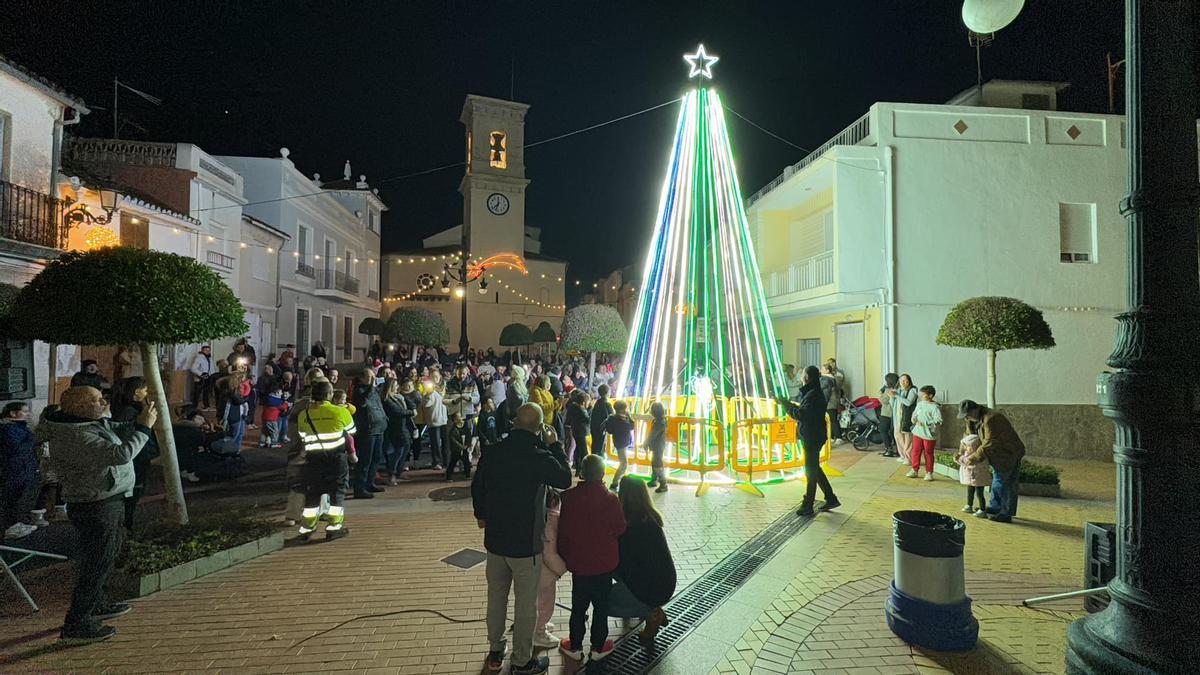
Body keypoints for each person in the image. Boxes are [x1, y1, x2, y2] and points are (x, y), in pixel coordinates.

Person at [38, 386, 157, 642]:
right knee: (96, 562)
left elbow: (118, 427)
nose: (104, 402)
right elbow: (121, 454)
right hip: (95, 504)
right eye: (97, 400)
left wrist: (140, 413)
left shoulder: (88, 424)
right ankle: (77, 624)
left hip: (107, 498)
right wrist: (144, 429)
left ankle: (99, 604)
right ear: (80, 408)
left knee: (107, 554)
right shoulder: (74, 435)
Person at [471, 403, 572, 675]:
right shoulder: (538, 455)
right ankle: (522, 660)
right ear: (540, 429)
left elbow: (478, 485)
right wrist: (555, 445)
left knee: (496, 596)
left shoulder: (493, 452)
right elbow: (565, 478)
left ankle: (495, 650)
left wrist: (481, 514)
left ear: (514, 422)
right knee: (526, 603)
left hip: (495, 540)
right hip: (526, 543)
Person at [557, 454, 626, 662]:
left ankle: (575, 646)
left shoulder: (569, 497)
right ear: (603, 473)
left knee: (578, 606)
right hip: (604, 565)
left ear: (582, 473)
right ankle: (598, 647)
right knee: (601, 607)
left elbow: (564, 530)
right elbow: (620, 528)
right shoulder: (611, 499)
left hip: (579, 564)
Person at [610, 476, 676, 643]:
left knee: (601, 599)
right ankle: (651, 607)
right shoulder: (652, 518)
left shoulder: (627, 525)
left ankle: (651, 614)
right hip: (666, 583)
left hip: (649, 588)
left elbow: (620, 563)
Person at [295, 381, 355, 541]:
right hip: (336, 458)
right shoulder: (339, 411)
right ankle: (334, 528)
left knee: (313, 493)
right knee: (337, 492)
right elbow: (352, 430)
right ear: (329, 395)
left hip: (313, 459)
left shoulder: (304, 414)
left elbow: (302, 436)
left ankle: (307, 528)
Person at [780, 366, 838, 517]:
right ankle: (830, 498)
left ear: (807, 377)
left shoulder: (813, 394)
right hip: (814, 434)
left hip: (812, 436)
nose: (800, 377)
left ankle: (808, 504)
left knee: (810, 471)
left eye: (802, 374)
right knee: (814, 468)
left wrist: (787, 406)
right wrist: (788, 403)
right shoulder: (813, 392)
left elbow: (802, 414)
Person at [958, 400, 1025, 523]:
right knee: (997, 480)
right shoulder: (971, 419)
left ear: (975, 410)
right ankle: (995, 507)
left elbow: (989, 442)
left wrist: (972, 458)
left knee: (1004, 483)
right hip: (995, 455)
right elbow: (968, 437)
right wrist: (962, 452)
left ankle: (1006, 512)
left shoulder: (992, 418)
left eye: (967, 415)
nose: (966, 418)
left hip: (1008, 453)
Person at [110, 377, 161, 531]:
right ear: (137, 392)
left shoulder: (129, 409)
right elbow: (133, 436)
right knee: (132, 495)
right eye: (146, 391)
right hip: (136, 459)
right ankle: (125, 529)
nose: (148, 394)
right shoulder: (129, 412)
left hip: (137, 457)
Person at [533, 489, 566, 649]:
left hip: (534, 565)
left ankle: (539, 625)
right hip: (547, 569)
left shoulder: (539, 517)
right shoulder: (552, 520)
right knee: (545, 602)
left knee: (536, 600)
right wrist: (560, 569)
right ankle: (539, 632)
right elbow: (549, 551)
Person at [1, 402, 38, 540]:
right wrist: (32, 437)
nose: (28, 414)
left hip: (23, 469)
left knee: (19, 499)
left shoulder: (19, 427)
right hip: (13, 471)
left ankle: (16, 524)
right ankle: (10, 527)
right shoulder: (7, 428)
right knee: (11, 500)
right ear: (13, 413)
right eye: (24, 411)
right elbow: (17, 448)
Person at [350, 368, 388, 499]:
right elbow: (362, 402)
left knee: (376, 458)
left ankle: (370, 482)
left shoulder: (375, 391)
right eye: (370, 376)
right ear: (361, 378)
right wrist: (371, 387)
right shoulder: (359, 390)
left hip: (379, 428)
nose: (373, 379)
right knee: (365, 460)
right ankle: (359, 488)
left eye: (374, 376)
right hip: (368, 430)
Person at [382, 379, 415, 484]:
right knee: (398, 452)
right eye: (395, 385)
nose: (397, 387)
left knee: (405, 449)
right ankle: (392, 473)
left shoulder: (397, 398)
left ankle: (397, 471)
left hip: (403, 427)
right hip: (395, 428)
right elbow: (397, 412)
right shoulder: (387, 400)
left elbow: (411, 404)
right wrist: (411, 412)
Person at [906, 385, 942, 481]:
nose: (921, 395)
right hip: (917, 432)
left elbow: (939, 420)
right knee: (916, 451)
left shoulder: (935, 407)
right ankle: (914, 469)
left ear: (930, 395)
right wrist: (913, 418)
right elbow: (915, 413)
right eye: (921, 394)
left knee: (928, 453)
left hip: (929, 434)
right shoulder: (920, 404)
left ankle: (929, 472)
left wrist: (925, 423)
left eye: (923, 394)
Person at [955, 434, 990, 517]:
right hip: (972, 479)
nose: (967, 448)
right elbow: (964, 462)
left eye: (969, 446)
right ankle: (969, 505)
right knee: (970, 492)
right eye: (966, 446)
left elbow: (969, 463)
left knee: (979, 494)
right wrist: (958, 458)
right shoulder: (967, 453)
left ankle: (982, 509)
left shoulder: (979, 456)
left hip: (978, 479)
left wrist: (960, 459)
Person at [605, 401, 635, 490]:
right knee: (624, 463)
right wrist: (629, 417)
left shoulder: (613, 418)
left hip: (620, 442)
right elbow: (631, 426)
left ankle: (621, 481)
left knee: (624, 462)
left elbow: (610, 430)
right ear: (622, 409)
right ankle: (615, 482)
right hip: (622, 442)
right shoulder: (621, 419)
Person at [892, 374, 918, 464]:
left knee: (908, 438)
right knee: (898, 436)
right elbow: (893, 405)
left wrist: (896, 396)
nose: (903, 382)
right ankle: (902, 455)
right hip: (897, 417)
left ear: (909, 381)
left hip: (907, 418)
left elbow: (908, 402)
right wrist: (892, 396)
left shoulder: (912, 390)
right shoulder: (898, 390)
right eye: (901, 380)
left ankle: (908, 458)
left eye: (905, 380)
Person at [564, 390, 590, 472]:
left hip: (575, 430)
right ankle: (584, 469)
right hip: (581, 431)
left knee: (577, 449)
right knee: (583, 451)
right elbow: (587, 420)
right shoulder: (581, 409)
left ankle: (577, 468)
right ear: (583, 402)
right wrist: (590, 409)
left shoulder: (572, 407)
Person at [424, 379, 448, 471]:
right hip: (434, 421)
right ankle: (437, 462)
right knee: (436, 443)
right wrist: (428, 394)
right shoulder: (430, 394)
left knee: (446, 442)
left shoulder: (444, 393)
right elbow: (426, 404)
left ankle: (446, 461)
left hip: (444, 420)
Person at [645, 401, 668, 492]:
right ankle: (654, 479)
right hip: (658, 445)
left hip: (657, 445)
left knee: (657, 464)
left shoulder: (659, 422)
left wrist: (646, 443)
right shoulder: (661, 420)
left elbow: (653, 435)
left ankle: (663, 483)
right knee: (655, 462)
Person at [590, 383, 614, 459]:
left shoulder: (597, 402)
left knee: (595, 445)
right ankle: (599, 463)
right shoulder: (607, 404)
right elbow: (612, 414)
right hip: (601, 428)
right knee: (600, 447)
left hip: (594, 427)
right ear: (607, 393)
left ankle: (593, 460)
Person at [878, 373, 899, 458]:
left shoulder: (889, 390)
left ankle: (888, 449)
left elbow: (883, 400)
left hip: (886, 413)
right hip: (895, 414)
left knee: (883, 430)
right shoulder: (899, 389)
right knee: (894, 432)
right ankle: (898, 450)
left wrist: (880, 393)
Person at [820, 364, 841, 444]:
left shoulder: (826, 379)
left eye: (822, 369)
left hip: (829, 402)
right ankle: (833, 436)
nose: (821, 370)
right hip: (832, 402)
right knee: (832, 420)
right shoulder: (832, 378)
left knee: (832, 419)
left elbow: (821, 387)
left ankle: (837, 436)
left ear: (827, 370)